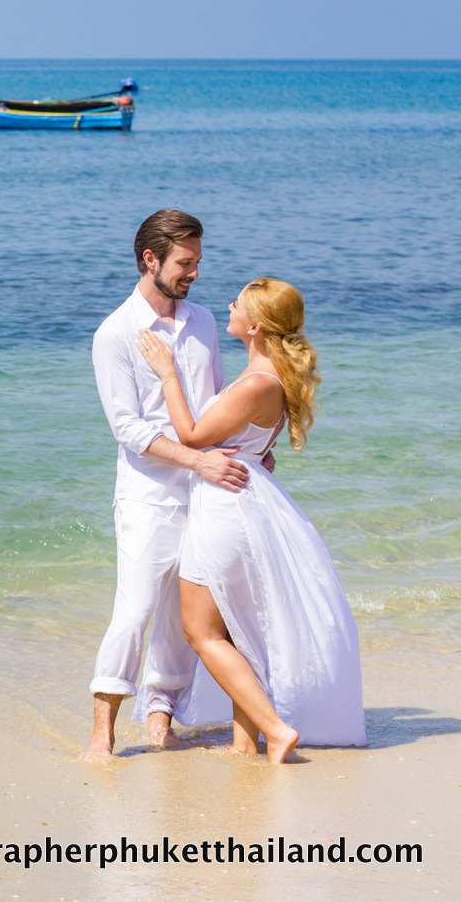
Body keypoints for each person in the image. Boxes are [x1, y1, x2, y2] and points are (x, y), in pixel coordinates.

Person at [136, 277, 365, 762]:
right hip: (240, 504)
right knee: (240, 629)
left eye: (237, 303)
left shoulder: (259, 383)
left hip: (224, 510)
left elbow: (193, 436)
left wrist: (167, 371)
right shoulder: (264, 378)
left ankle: (275, 729)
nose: (228, 306)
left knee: (202, 632)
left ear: (255, 326)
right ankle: (245, 744)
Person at [84, 210, 255, 758]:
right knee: (134, 611)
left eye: (199, 262)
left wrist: (253, 450)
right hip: (148, 496)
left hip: (209, 494)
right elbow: (126, 428)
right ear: (150, 259)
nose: (196, 274)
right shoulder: (115, 333)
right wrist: (196, 460)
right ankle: (101, 736)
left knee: (189, 620)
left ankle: (162, 720)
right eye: (186, 263)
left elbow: (222, 400)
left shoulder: (204, 321)